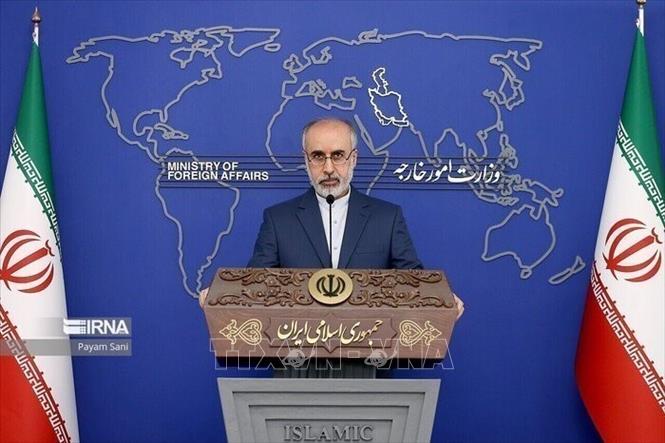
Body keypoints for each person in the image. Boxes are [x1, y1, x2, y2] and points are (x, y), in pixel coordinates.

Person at [248, 118, 423, 270]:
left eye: (338, 155)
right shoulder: (277, 220)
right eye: (318, 156)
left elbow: (415, 284)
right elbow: (255, 287)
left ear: (353, 159)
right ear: (306, 160)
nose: (329, 168)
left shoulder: (388, 218)